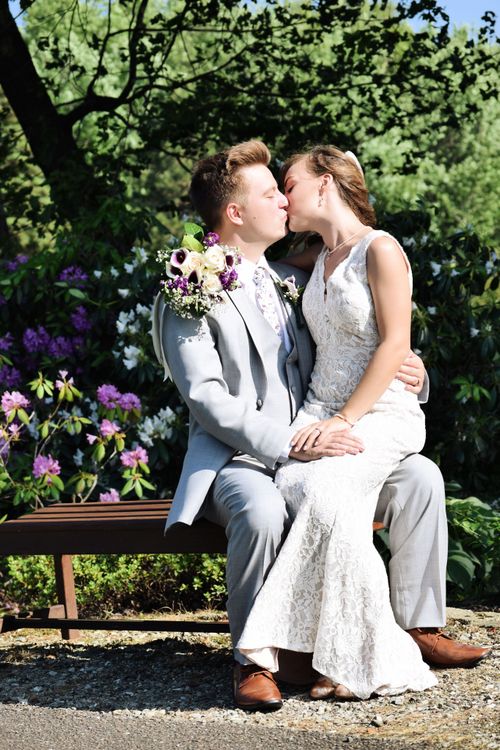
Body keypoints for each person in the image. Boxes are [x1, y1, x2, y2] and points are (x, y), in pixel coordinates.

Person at [151, 141, 488, 712]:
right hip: (241, 457)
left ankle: (417, 627)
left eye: (285, 188)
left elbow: (359, 334)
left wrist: (410, 370)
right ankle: (253, 661)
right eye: (270, 193)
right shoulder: (188, 285)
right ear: (235, 212)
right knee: (263, 510)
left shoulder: (289, 276)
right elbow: (206, 399)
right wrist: (292, 442)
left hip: (323, 433)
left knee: (421, 479)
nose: (283, 201)